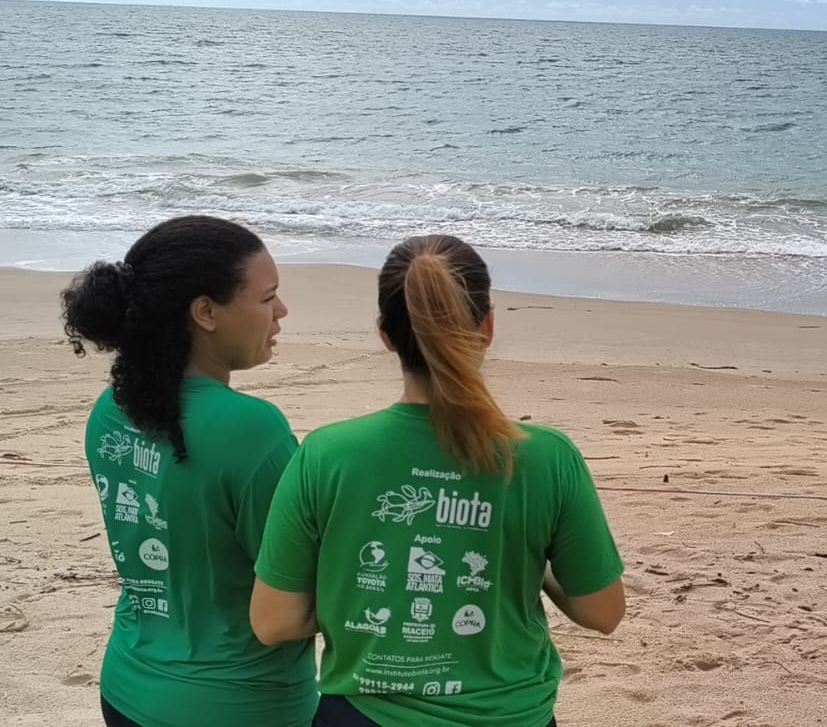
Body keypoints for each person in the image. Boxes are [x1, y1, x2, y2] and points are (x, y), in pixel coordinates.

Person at [251, 234, 625, 727]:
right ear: (487, 326)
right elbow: (602, 612)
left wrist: (364, 601)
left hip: (363, 714)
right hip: (510, 715)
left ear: (385, 335)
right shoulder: (547, 456)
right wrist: (532, 568)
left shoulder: (327, 453)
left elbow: (273, 621)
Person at [62, 215, 315, 727]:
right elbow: (289, 605)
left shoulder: (112, 408)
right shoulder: (251, 429)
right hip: (237, 705)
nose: (281, 311)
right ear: (205, 312)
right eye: (268, 298)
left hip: (126, 686)